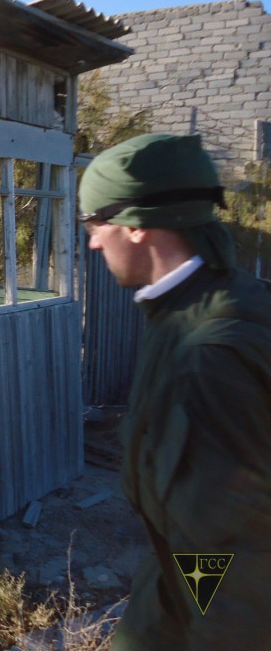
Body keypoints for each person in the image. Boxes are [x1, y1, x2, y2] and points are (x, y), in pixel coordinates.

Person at [78, 132, 271, 650]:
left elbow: (231, 569)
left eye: (96, 224)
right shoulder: (216, 301)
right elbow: (187, 551)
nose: (94, 241)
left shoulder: (205, 358)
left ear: (136, 226)